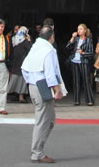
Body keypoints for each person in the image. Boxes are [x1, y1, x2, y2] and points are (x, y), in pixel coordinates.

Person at [21, 25, 65, 164]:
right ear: (51, 36)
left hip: (33, 86)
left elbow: (24, 68)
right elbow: (50, 74)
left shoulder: (35, 47)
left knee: (49, 120)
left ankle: (38, 150)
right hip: (43, 87)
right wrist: (57, 90)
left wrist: (31, 81)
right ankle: (37, 153)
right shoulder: (48, 50)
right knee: (43, 121)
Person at [66, 23, 95, 106]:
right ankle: (76, 100)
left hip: (83, 61)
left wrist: (83, 53)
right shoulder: (76, 39)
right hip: (75, 61)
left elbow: (91, 53)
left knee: (86, 80)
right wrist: (72, 38)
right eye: (78, 29)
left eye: (81, 29)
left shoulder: (88, 40)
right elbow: (67, 47)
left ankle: (89, 100)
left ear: (85, 31)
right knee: (76, 81)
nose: (79, 31)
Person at [9, 26, 33, 103]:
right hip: (20, 63)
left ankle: (20, 97)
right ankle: (19, 97)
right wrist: (29, 40)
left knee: (19, 80)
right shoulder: (23, 41)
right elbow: (31, 49)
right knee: (18, 80)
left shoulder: (14, 39)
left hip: (18, 63)